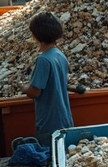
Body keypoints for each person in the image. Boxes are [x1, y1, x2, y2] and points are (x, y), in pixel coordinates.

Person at [23, 12, 74, 145]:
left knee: (50, 155)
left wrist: (23, 87)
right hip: (65, 119)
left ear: (35, 35)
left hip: (49, 123)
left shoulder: (43, 60)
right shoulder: (60, 55)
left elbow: (35, 92)